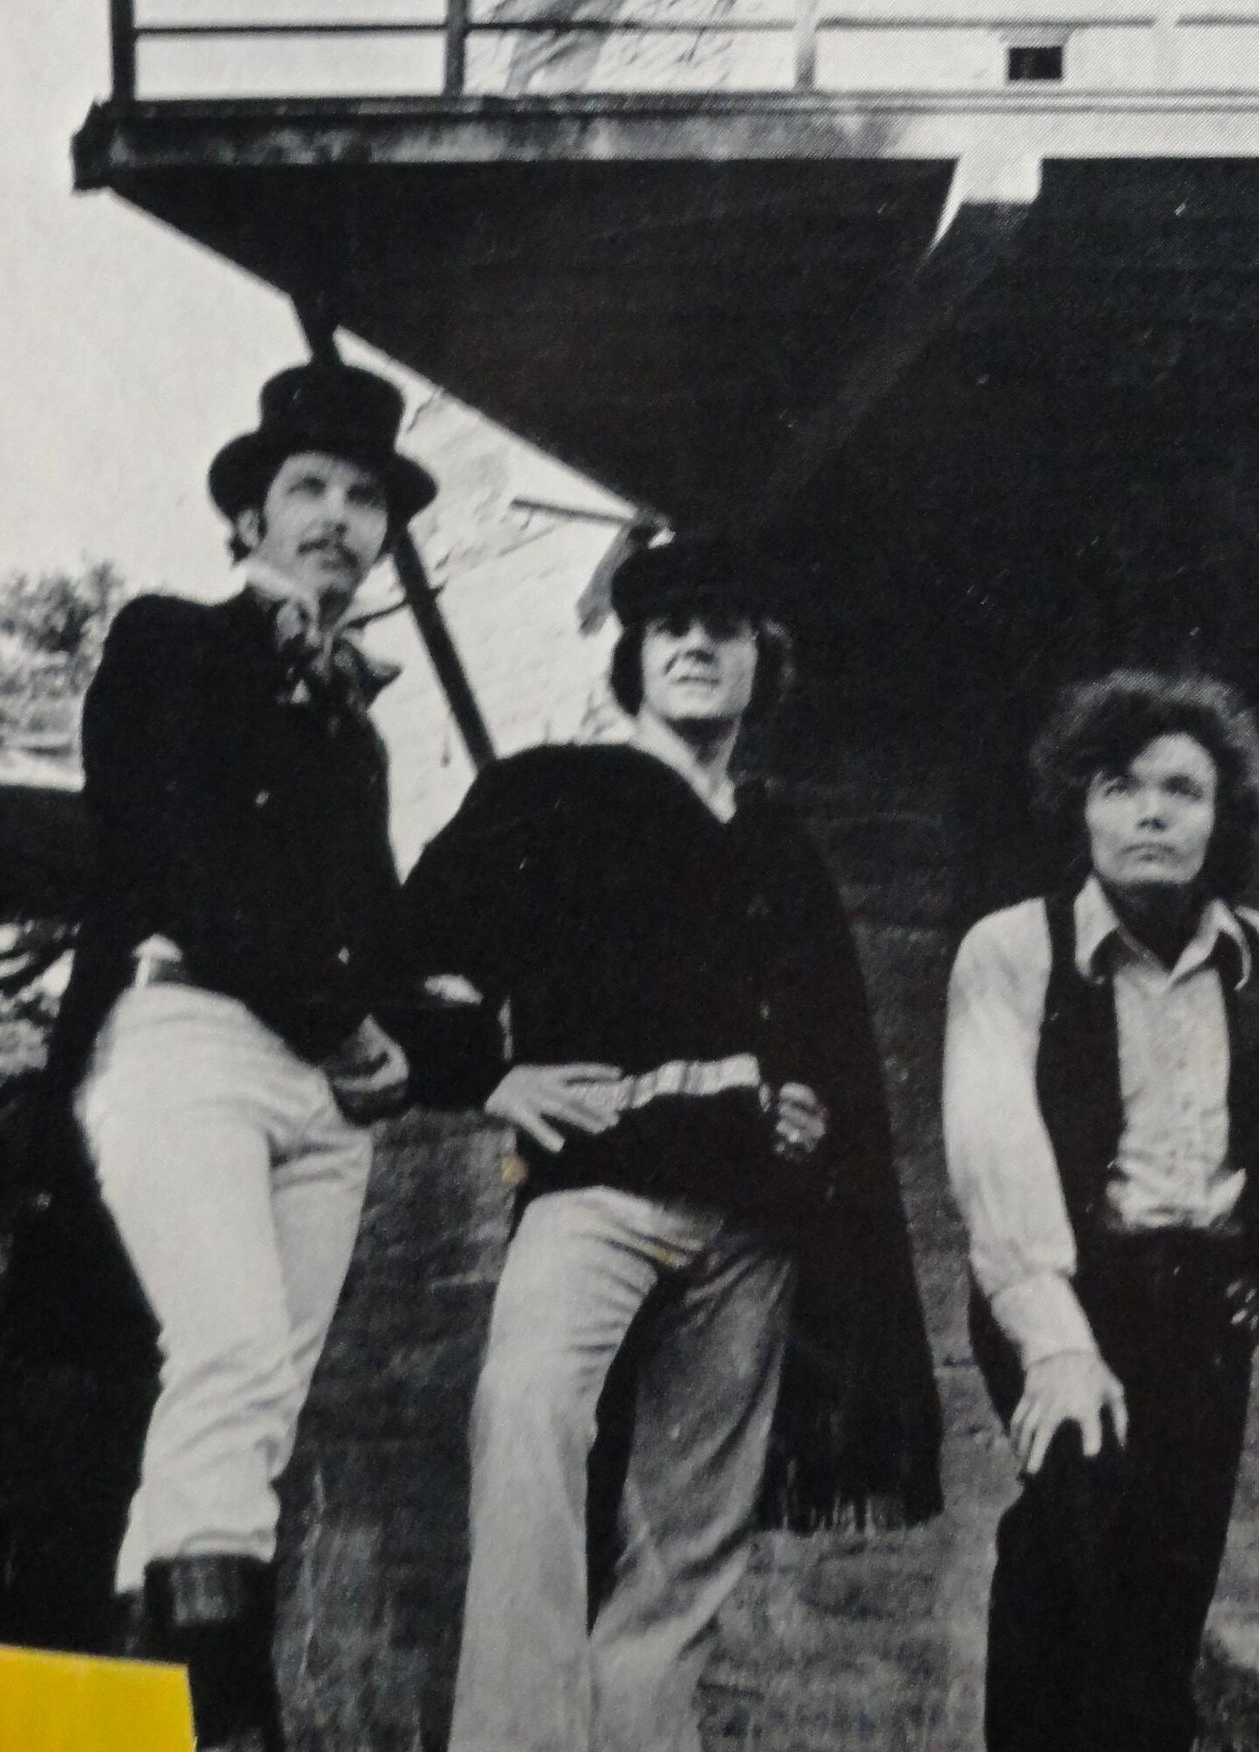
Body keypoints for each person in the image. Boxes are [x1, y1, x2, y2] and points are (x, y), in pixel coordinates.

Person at [398, 532, 940, 1752]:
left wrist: (806, 1103)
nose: (696, 642)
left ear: (761, 660)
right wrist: (491, 1076)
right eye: (669, 625)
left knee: (693, 1533)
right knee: (527, 1421)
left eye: (724, 624)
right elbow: (416, 951)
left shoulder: (780, 839)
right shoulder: (550, 790)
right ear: (634, 656)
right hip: (597, 1189)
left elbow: (829, 1038)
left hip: (751, 1220)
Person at [49, 360, 429, 1752]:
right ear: (251, 517)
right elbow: (176, 862)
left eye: (364, 496)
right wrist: (346, 1020)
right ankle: (231, 1718)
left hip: (322, 1097)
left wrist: (432, 1033)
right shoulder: (170, 641)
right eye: (308, 486)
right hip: (189, 1037)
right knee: (232, 1358)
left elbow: (379, 929)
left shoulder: (362, 730)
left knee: (246, 1408)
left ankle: (125, 1718)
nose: (337, 515)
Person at [943, 669, 1259, 1752]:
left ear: (1222, 818)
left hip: (1205, 1313)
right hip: (1060, 1287)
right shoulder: (1013, 949)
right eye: (1121, 786)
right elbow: (995, 1151)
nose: (1151, 813)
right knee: (1074, 1541)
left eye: (1183, 790)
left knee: (1164, 1599)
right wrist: (1056, 1345)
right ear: (1079, 806)